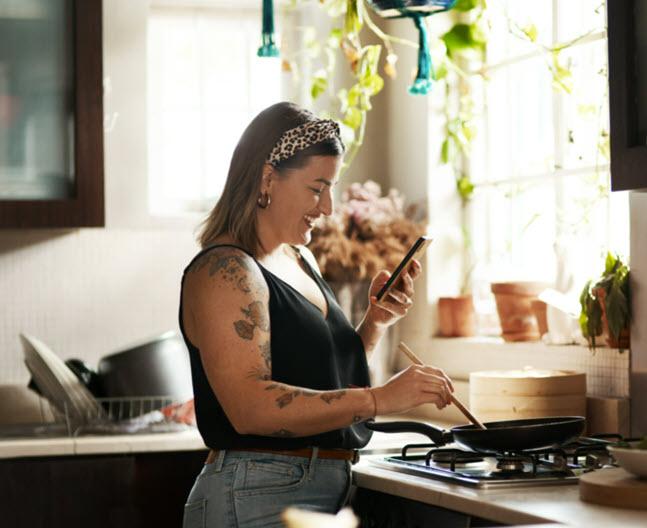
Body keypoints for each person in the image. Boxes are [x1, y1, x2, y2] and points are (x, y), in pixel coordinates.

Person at [179, 101, 454, 527]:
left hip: (326, 487)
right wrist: (381, 399)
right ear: (267, 178)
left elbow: (317, 376)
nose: (327, 207)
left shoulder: (300, 258)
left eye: (332, 189)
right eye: (316, 188)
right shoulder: (225, 270)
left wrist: (374, 323)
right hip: (256, 494)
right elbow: (251, 407)